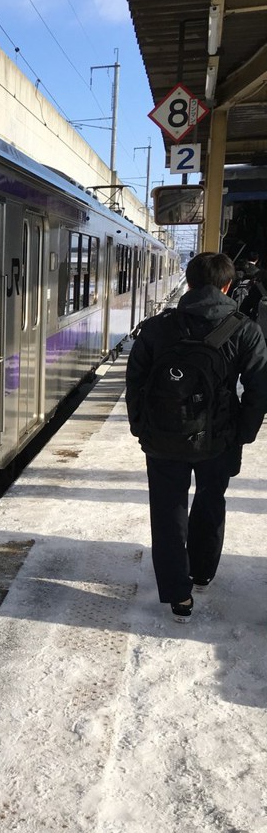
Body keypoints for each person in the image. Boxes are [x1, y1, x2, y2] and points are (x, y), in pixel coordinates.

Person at [125, 252, 267, 622]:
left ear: (188, 284)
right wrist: (243, 434)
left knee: (168, 511)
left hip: (164, 438)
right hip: (219, 439)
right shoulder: (244, 329)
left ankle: (178, 596)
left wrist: (141, 427)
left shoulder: (158, 327)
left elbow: (135, 382)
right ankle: (201, 573)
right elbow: (258, 389)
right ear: (227, 286)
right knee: (210, 501)